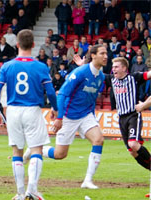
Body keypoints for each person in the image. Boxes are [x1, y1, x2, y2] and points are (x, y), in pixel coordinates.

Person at [26, 45, 108, 190]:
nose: (106, 56)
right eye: (102, 53)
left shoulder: (100, 76)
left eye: (106, 53)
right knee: (60, 154)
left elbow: (92, 98)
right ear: (93, 55)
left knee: (99, 140)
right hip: (69, 116)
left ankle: (87, 181)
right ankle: (35, 150)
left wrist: (92, 118)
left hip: (86, 115)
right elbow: (63, 93)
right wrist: (59, 117)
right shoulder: (80, 72)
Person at [0, 29, 58, 200]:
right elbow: (50, 91)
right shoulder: (40, 66)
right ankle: (32, 190)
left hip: (13, 110)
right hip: (32, 110)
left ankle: (20, 193)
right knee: (36, 150)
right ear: (34, 45)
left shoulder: (7, 66)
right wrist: (55, 109)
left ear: (17, 45)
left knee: (17, 152)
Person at [103, 57, 151, 170]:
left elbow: (148, 74)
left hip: (133, 115)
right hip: (121, 118)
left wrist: (143, 105)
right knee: (132, 152)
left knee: (133, 144)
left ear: (124, 68)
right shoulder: (111, 79)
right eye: (113, 67)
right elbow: (94, 73)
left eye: (116, 67)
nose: (113, 69)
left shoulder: (134, 78)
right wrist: (82, 65)